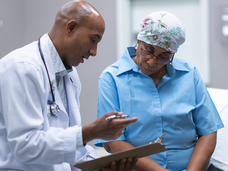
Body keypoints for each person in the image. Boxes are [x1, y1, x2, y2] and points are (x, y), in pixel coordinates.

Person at [0, 0, 138, 171]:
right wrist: (92, 131)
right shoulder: (23, 67)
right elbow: (26, 145)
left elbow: (71, 149)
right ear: (71, 28)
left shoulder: (70, 75)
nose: (94, 52)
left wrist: (101, 166)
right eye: (93, 40)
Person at [95, 11, 224, 171]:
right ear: (139, 40)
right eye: (148, 50)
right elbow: (113, 142)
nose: (152, 61)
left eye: (163, 56)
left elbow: (208, 132)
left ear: (173, 54)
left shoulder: (190, 74)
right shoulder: (112, 78)